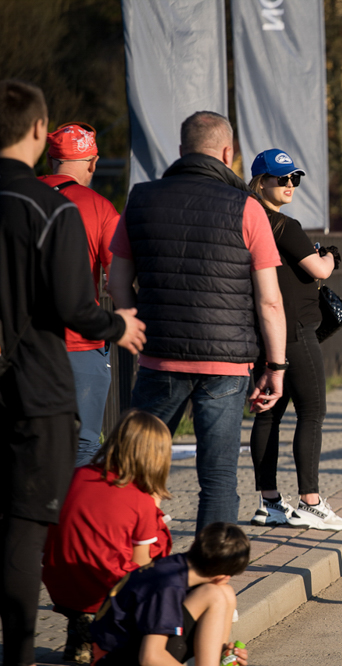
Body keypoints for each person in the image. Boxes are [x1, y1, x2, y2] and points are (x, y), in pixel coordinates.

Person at [0, 79, 146, 666]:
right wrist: (120, 325)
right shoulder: (63, 208)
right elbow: (83, 298)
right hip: (52, 370)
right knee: (42, 509)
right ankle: (43, 641)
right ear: (38, 132)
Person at [107, 111, 286, 533]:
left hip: (159, 358)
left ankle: (135, 562)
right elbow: (270, 301)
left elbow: (117, 282)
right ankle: (212, 580)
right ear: (228, 154)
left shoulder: (141, 198)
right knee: (218, 476)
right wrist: (275, 368)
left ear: (182, 151)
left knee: (139, 467)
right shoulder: (247, 207)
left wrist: (142, 325)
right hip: (227, 364)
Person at [245, 149, 342, 532]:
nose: (290, 184)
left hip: (262, 332)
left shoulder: (245, 223)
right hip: (295, 332)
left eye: (294, 179)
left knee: (269, 413)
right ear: (261, 182)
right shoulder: (284, 226)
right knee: (312, 412)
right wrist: (332, 255)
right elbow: (320, 267)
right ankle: (310, 502)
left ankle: (268, 502)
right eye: (281, 178)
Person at [42, 409, 173, 665]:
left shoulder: (77, 475)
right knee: (160, 552)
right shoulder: (139, 499)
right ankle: (105, 635)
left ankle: (80, 633)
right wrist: (156, 512)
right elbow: (143, 566)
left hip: (60, 585)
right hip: (103, 592)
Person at [39, 122, 120, 466]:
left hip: (24, 345)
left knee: (30, 450)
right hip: (82, 345)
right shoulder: (101, 208)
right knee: (84, 447)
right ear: (93, 162)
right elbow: (117, 279)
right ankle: (72, 519)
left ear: (51, 159)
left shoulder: (16, 198)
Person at [90, 522, 251, 666]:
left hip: (127, 647)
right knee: (214, 595)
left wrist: (224, 654)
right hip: (115, 659)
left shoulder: (178, 566)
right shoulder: (168, 587)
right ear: (224, 575)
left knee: (226, 592)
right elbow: (151, 658)